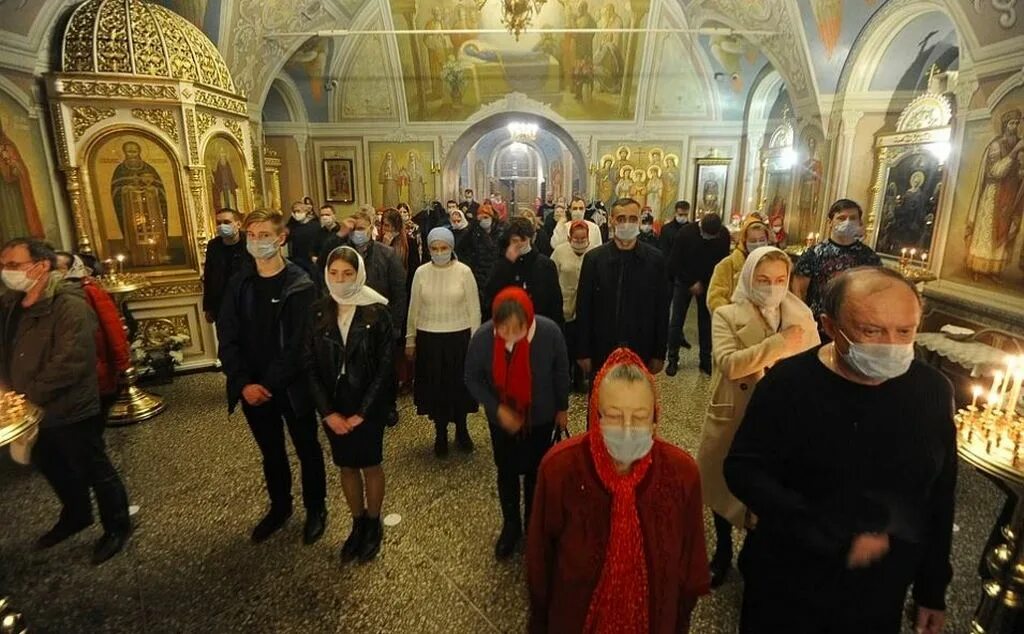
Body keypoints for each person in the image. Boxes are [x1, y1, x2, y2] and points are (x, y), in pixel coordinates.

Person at [724, 267, 956, 634]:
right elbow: (743, 469)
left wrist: (932, 588)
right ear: (830, 326)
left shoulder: (931, 390)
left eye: (905, 331)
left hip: (879, 590)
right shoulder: (789, 384)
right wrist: (826, 525)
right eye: (871, 331)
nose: (891, 345)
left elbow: (940, 493)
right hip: (789, 581)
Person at [527, 348, 710, 632]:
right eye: (613, 416)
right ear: (595, 415)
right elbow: (541, 566)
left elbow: (690, 567)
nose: (626, 429)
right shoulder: (560, 470)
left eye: (639, 417)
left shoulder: (681, 474)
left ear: (655, 417)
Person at [0, 238, 132, 564]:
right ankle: (76, 514)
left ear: (40, 266)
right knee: (51, 464)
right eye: (3, 265)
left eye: (13, 265)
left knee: (92, 465)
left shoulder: (68, 304)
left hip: (69, 405)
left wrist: (27, 393)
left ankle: (117, 525)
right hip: (29, 409)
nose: (6, 272)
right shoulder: (12, 305)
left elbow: (72, 360)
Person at [698, 246, 819, 589]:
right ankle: (722, 552)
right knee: (722, 486)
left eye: (780, 279)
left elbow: (813, 366)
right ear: (750, 278)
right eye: (764, 279)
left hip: (781, 417)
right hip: (736, 410)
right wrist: (779, 345)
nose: (772, 287)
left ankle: (753, 553)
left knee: (767, 489)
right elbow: (731, 363)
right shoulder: (726, 315)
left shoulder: (801, 317)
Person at [216, 209, 328, 545]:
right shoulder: (241, 282)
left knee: (307, 448)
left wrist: (268, 383)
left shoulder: (301, 284)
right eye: (251, 235)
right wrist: (243, 382)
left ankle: (316, 509)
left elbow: (300, 344)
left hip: (292, 387)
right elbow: (228, 335)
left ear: (281, 238)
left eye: (264, 235)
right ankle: (280, 507)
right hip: (252, 387)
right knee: (271, 452)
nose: (256, 241)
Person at [465, 288, 569, 559]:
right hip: (502, 421)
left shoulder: (549, 333)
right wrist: (497, 408)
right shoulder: (483, 338)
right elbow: (472, 378)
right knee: (507, 471)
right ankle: (511, 525)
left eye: (517, 328)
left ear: (529, 320)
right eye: (504, 329)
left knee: (537, 472)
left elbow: (560, 370)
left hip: (541, 416)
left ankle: (534, 526)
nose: (510, 335)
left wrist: (562, 407)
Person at [308, 246, 393, 564]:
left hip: (366, 404)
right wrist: (327, 412)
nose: (340, 280)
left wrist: (363, 412)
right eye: (334, 273)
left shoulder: (376, 311)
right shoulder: (318, 312)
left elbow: (385, 368)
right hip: (334, 403)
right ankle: (357, 523)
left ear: (359, 274)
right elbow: (310, 366)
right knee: (346, 465)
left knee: (370, 464)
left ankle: (373, 522)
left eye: (348, 273)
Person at [405, 227, 481, 457]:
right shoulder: (421, 272)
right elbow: (413, 308)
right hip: (429, 338)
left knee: (459, 387)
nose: (439, 252)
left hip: (458, 338)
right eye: (434, 248)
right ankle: (440, 432)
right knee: (436, 388)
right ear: (429, 250)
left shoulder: (464, 272)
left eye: (444, 248)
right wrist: (410, 339)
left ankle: (462, 428)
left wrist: (476, 341)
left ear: (451, 248)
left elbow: (474, 309)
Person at [576, 198, 670, 378]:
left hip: (641, 345)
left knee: (637, 401)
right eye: (621, 219)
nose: (627, 224)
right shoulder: (594, 259)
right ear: (611, 221)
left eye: (633, 219)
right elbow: (584, 307)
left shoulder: (655, 260)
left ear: (640, 220)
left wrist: (659, 352)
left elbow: (662, 309)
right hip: (602, 346)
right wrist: (582, 351)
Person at [55, 252, 131, 414]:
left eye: (57, 268)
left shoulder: (89, 290)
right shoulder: (51, 294)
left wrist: (121, 362)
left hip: (95, 362)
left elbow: (111, 327)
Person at [792, 199, 881, 333]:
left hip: (854, 325)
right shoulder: (814, 253)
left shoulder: (868, 257)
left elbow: (876, 291)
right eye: (841, 218)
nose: (847, 222)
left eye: (853, 218)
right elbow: (799, 291)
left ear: (859, 223)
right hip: (818, 326)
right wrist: (803, 320)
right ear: (830, 222)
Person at [667, 212, 731, 376]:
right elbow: (674, 263)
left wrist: (711, 283)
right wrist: (691, 282)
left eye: (712, 236)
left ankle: (705, 361)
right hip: (683, 281)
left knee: (706, 323)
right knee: (676, 321)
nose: (708, 239)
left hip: (709, 283)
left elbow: (722, 263)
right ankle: (672, 359)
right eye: (705, 235)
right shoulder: (686, 233)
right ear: (700, 225)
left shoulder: (723, 235)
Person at [483, 217, 563, 327]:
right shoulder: (501, 266)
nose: (519, 244)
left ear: (531, 238)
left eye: (523, 240)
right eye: (515, 240)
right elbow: (490, 299)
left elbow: (555, 304)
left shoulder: (545, 265)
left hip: (540, 326)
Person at [551, 220, 596, 393]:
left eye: (582, 239)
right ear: (570, 238)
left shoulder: (594, 253)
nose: (579, 242)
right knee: (565, 344)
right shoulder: (560, 252)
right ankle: (564, 378)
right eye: (576, 239)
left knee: (582, 342)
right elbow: (551, 275)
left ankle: (580, 378)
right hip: (564, 305)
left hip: (585, 307)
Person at [706, 215, 770, 313]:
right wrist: (732, 317)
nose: (758, 244)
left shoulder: (774, 265)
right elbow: (715, 298)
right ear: (744, 242)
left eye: (762, 240)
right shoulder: (727, 265)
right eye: (753, 241)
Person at [202, 208, 248, 324]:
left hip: (246, 303)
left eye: (226, 222)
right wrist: (208, 308)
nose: (222, 226)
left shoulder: (249, 243)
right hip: (221, 305)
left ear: (238, 224)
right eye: (219, 223)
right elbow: (209, 276)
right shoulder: (213, 246)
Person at [285, 200, 321, 277]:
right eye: (294, 211)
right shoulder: (293, 226)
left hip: (311, 262)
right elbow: (285, 239)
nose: (296, 213)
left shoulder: (315, 225)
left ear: (305, 211)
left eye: (298, 211)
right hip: (297, 261)